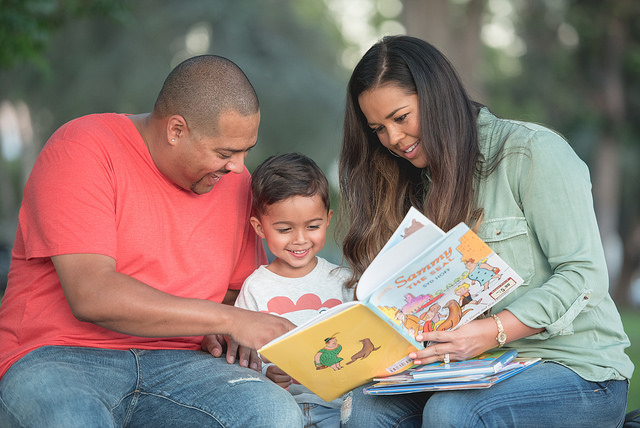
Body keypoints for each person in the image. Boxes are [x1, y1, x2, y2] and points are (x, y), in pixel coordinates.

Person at [337, 35, 633, 428]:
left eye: (400, 117)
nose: (392, 139)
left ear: (436, 96)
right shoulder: (409, 182)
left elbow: (584, 276)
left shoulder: (531, 153)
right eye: (378, 128)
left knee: (454, 413)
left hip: (575, 369)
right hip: (467, 369)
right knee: (365, 409)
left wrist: (493, 332)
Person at [0, 55, 304, 427]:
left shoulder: (235, 183)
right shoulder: (82, 147)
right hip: (59, 355)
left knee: (273, 413)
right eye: (225, 153)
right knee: (71, 419)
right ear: (176, 130)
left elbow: (235, 294)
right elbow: (92, 294)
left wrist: (225, 330)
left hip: (184, 366)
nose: (239, 168)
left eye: (245, 151)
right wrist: (232, 319)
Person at [235, 153, 353, 427]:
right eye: (285, 229)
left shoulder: (344, 281)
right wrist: (266, 372)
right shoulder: (255, 288)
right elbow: (243, 356)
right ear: (260, 228)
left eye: (313, 226)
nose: (300, 240)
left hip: (341, 411)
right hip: (282, 410)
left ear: (328, 219)